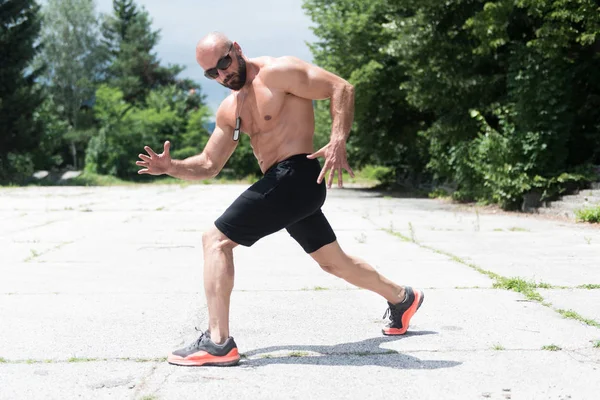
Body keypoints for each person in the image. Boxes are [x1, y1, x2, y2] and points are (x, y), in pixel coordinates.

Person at [136, 32, 424, 367]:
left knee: (215, 240)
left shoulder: (280, 72)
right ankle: (403, 298)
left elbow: (341, 88)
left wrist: (337, 138)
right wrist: (171, 167)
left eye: (224, 63)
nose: (221, 75)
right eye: (211, 73)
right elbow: (209, 164)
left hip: (298, 175)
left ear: (237, 50)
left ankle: (218, 341)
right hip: (286, 186)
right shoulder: (231, 108)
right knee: (335, 263)